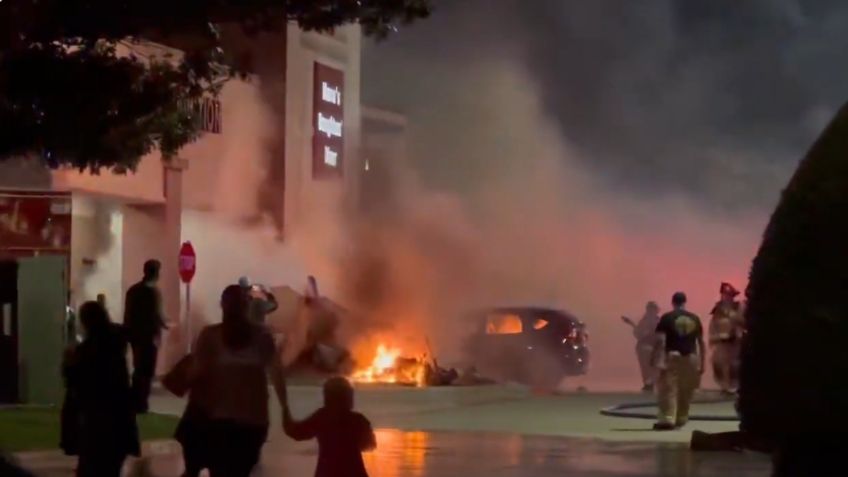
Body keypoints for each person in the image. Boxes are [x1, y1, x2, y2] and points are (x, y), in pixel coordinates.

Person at [188, 284, 287, 477]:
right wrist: (285, 410)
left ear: (222, 305)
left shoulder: (212, 336)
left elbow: (196, 376)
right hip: (246, 422)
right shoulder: (261, 336)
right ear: (247, 305)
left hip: (225, 422)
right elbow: (277, 373)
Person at [68, 301, 140, 477]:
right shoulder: (117, 342)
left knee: (91, 468)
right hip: (119, 420)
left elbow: (78, 386)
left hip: (97, 423)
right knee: (111, 468)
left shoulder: (86, 351)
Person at [283, 376, 376, 477]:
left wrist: (285, 410)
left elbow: (296, 433)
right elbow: (369, 444)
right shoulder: (359, 420)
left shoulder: (322, 417)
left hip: (326, 472)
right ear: (348, 396)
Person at [652, 291, 705, 430]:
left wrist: (655, 358)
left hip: (673, 357)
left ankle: (667, 419)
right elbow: (701, 342)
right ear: (685, 302)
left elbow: (660, 341)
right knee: (686, 389)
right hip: (692, 357)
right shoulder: (695, 318)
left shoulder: (667, 318)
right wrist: (702, 363)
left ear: (673, 302)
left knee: (668, 389)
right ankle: (682, 418)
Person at [124, 259, 167, 413]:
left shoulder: (133, 290)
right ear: (156, 273)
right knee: (147, 371)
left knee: (138, 368)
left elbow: (127, 314)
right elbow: (158, 316)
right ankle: (141, 402)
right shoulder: (153, 293)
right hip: (149, 337)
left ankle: (135, 400)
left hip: (135, 336)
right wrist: (166, 325)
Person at [709, 282, 745, 395]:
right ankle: (725, 386)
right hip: (721, 341)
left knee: (735, 364)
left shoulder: (739, 306)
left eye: (729, 294)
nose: (726, 297)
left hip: (736, 341)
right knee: (721, 363)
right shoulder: (718, 309)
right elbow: (713, 324)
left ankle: (735, 386)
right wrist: (713, 338)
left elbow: (744, 322)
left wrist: (732, 316)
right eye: (724, 294)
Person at [623, 301, 662, 392]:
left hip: (654, 347)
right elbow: (638, 334)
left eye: (653, 309)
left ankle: (651, 383)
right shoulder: (644, 321)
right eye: (650, 309)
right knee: (646, 367)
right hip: (645, 347)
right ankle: (648, 384)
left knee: (653, 367)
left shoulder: (658, 321)